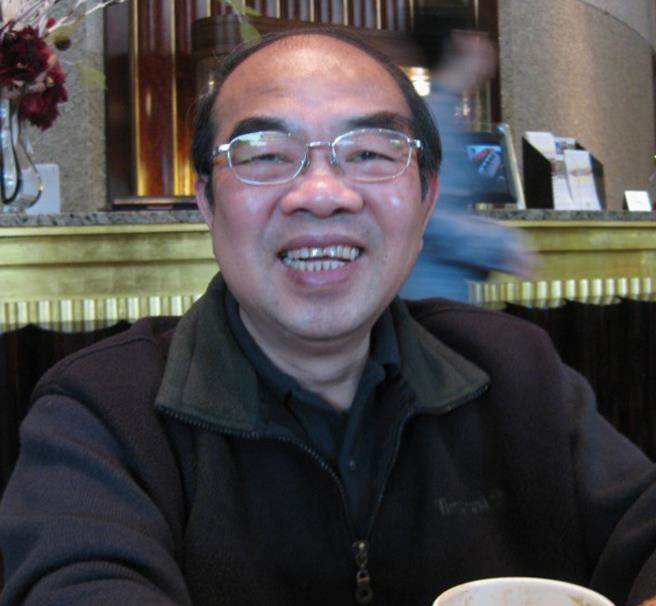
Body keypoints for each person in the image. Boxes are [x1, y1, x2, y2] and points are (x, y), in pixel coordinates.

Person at [1, 28, 655, 606]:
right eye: (265, 153)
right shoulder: (101, 415)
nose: (321, 194)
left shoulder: (517, 372)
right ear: (205, 200)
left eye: (370, 152)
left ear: (427, 199)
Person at [401, 5, 535, 302]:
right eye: (483, 37)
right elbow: (430, 214)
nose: (489, 48)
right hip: (432, 297)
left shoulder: (438, 111)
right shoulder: (436, 117)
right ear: (463, 41)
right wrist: (503, 243)